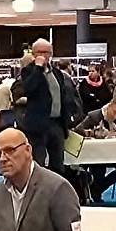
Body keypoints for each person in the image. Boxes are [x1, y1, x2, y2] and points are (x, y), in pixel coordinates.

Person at [21, 38, 72, 175]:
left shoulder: (57, 73)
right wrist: (38, 68)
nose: (43, 55)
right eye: (40, 52)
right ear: (33, 53)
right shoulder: (28, 71)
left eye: (47, 52)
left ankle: (56, 194)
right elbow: (29, 89)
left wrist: (66, 123)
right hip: (37, 126)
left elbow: (63, 97)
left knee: (58, 165)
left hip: (57, 124)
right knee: (38, 164)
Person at [74, 96, 116, 203]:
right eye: (115, 112)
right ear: (110, 105)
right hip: (95, 154)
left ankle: (97, 189)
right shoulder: (93, 116)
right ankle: (96, 191)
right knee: (99, 168)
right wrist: (92, 133)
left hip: (115, 153)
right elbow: (78, 130)